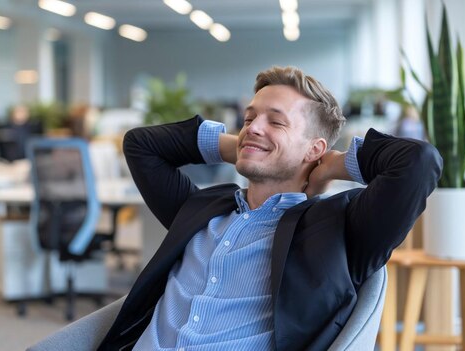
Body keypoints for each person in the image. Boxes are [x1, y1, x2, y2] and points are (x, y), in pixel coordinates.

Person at [99, 66, 442, 350]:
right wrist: (245, 146)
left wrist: (333, 165)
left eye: (276, 122)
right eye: (249, 119)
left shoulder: (338, 231)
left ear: (315, 149)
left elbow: (419, 162)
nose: (254, 128)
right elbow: (140, 145)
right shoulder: (201, 208)